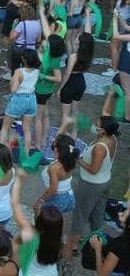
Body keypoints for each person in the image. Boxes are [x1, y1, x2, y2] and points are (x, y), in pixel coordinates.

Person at [66, 115, 119, 257]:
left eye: (97, 124)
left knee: (80, 214)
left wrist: (78, 159)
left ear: (102, 130)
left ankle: (74, 246)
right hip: (105, 181)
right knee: (97, 213)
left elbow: (93, 170)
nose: (94, 125)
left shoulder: (100, 147)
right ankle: (97, 241)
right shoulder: (112, 138)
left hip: (91, 184)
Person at [10, 171, 63, 276]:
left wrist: (19, 180)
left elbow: (15, 205)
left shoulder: (30, 233)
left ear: (40, 222)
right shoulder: (58, 239)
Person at [36, 134, 77, 214]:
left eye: (54, 143)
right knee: (56, 220)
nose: (53, 141)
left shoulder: (54, 168)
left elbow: (53, 189)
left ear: (56, 149)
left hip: (58, 199)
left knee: (41, 216)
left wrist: (39, 201)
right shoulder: (72, 158)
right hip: (70, 197)